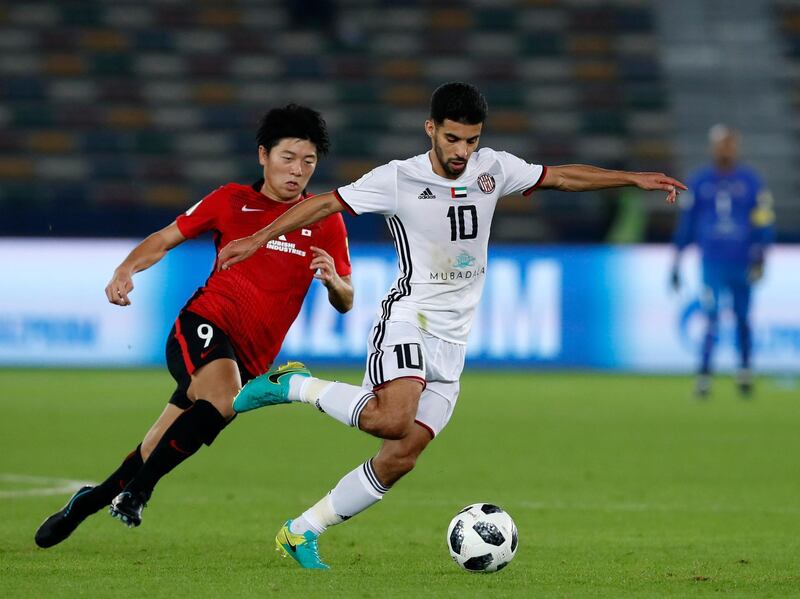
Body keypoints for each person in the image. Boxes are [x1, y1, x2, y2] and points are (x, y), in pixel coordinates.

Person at [218, 82, 685, 570]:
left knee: (401, 456)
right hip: (409, 319)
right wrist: (259, 237)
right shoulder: (398, 178)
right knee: (391, 418)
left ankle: (301, 531)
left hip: (453, 341)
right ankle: (292, 384)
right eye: (453, 139)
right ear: (431, 130)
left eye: (471, 140)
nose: (463, 151)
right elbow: (326, 204)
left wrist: (633, 178)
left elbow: (562, 177)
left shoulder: (494, 169)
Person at [34, 104, 353, 547]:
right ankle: (139, 494)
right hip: (204, 324)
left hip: (250, 359)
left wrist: (335, 283)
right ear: (263, 155)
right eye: (288, 158)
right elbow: (166, 238)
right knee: (222, 399)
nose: (298, 171)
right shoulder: (230, 200)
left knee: (157, 445)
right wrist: (126, 269)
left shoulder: (324, 219)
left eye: (309, 161)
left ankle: (90, 501)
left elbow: (346, 300)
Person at [671, 124, 775, 397]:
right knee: (711, 314)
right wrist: (677, 260)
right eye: (721, 144)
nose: (725, 149)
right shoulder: (700, 181)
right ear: (713, 147)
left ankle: (744, 372)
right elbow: (687, 222)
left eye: (729, 143)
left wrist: (761, 255)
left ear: (736, 146)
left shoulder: (751, 181)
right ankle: (705, 375)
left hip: (741, 261)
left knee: (743, 317)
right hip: (713, 262)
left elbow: (763, 220)